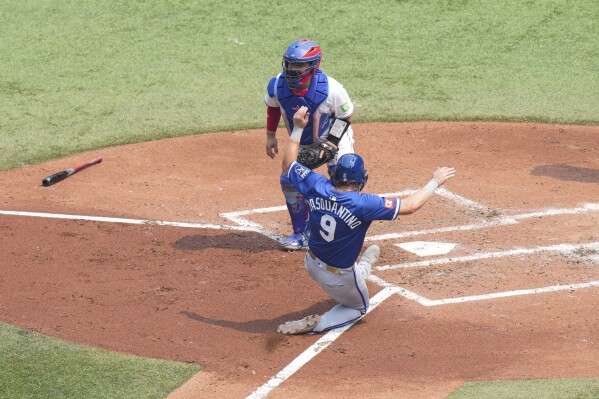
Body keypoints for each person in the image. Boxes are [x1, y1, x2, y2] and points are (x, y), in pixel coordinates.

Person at [276, 106, 456, 334]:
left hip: (311, 264)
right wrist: (435, 181)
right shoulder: (363, 204)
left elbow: (288, 164)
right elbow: (410, 206)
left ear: (333, 175)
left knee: (348, 265)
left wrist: (298, 129)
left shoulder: (316, 185)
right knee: (359, 307)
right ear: (361, 180)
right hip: (338, 276)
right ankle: (318, 324)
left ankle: (364, 266)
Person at [264, 39, 356, 250]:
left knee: (343, 179)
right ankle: (301, 233)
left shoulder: (332, 89)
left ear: (313, 67)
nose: (292, 70)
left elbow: (346, 116)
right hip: (301, 142)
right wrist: (270, 135)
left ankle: (346, 230)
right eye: (289, 64)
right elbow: (273, 107)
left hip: (334, 139)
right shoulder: (277, 85)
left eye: (298, 66)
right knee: (289, 179)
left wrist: (331, 143)